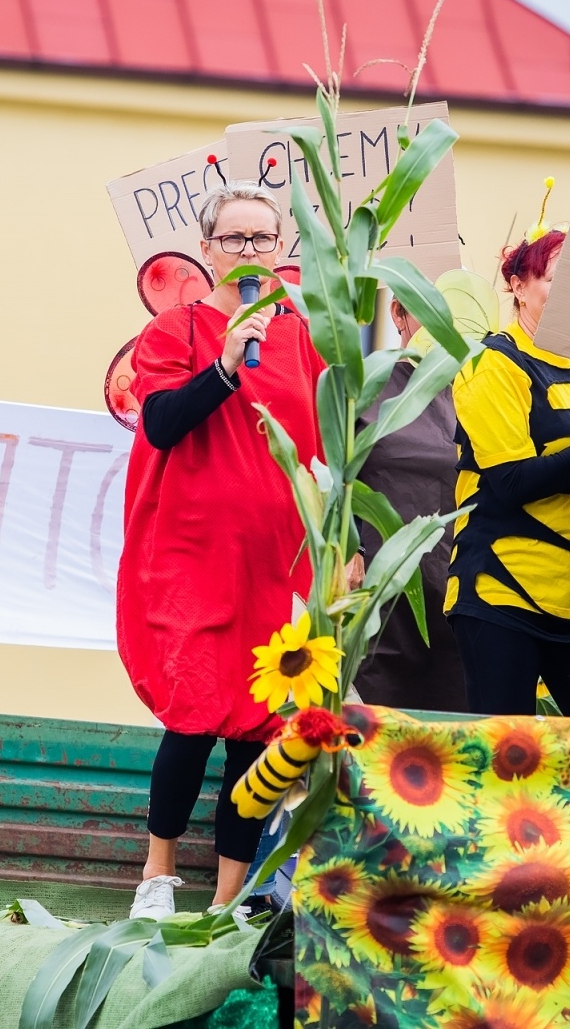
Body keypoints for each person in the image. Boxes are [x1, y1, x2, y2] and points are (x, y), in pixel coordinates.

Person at [117, 182, 325, 919]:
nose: (247, 252)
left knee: (256, 729)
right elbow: (163, 423)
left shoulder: (306, 339)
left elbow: (330, 448)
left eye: (261, 240)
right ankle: (158, 876)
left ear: (280, 252)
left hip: (277, 563)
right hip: (191, 558)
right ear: (206, 251)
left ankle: (228, 898)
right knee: (194, 713)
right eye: (232, 240)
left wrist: (346, 543)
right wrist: (228, 365)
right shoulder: (175, 332)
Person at [445, 227, 570, 721]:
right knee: (507, 765)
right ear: (518, 285)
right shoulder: (491, 363)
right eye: (556, 276)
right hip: (503, 592)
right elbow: (508, 481)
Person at [353, 297, 468, 713]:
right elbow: (334, 473)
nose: (445, 318)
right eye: (429, 304)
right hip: (383, 586)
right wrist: (350, 547)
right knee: (382, 733)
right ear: (399, 314)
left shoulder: (478, 383)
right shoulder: (366, 384)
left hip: (462, 587)